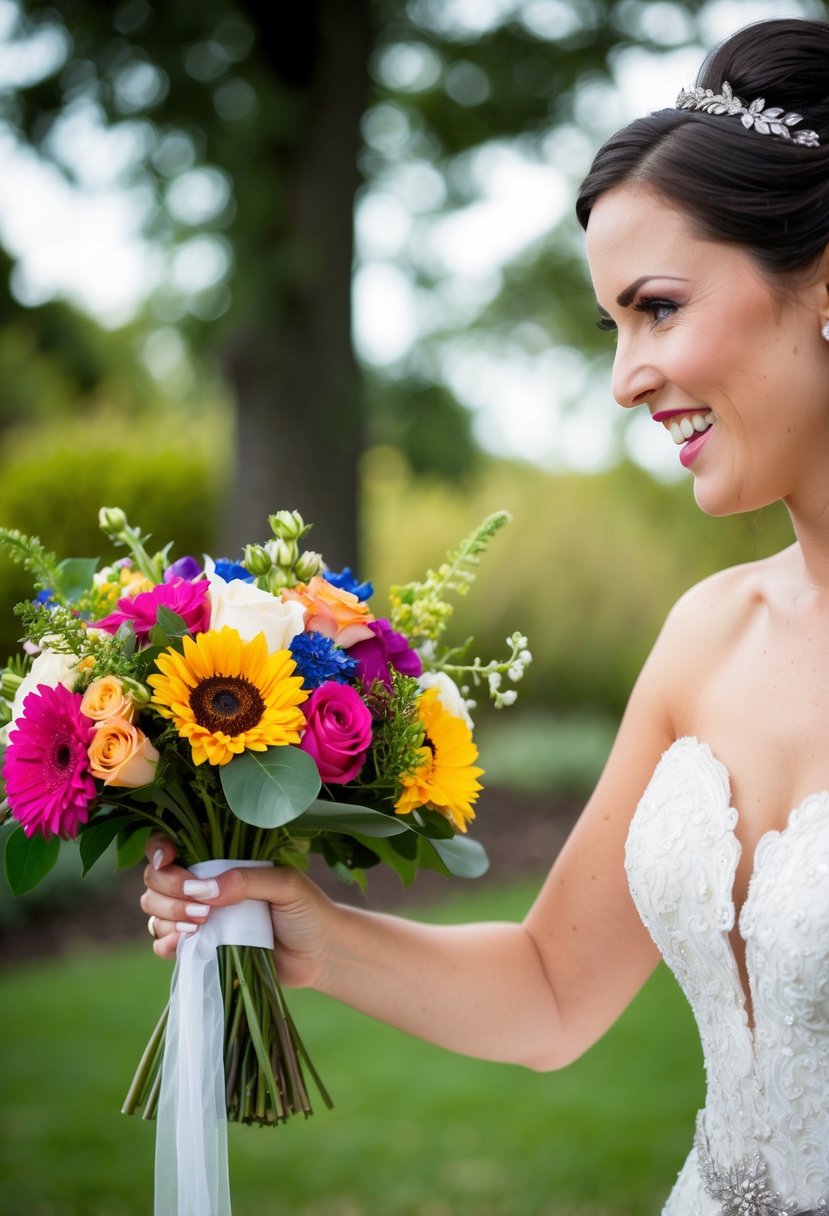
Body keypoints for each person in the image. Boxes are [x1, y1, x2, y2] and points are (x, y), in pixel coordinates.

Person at [140, 17, 829, 1214]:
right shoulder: (703, 636)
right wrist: (306, 930)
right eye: (609, 326)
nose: (623, 377)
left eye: (656, 308)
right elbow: (555, 988)